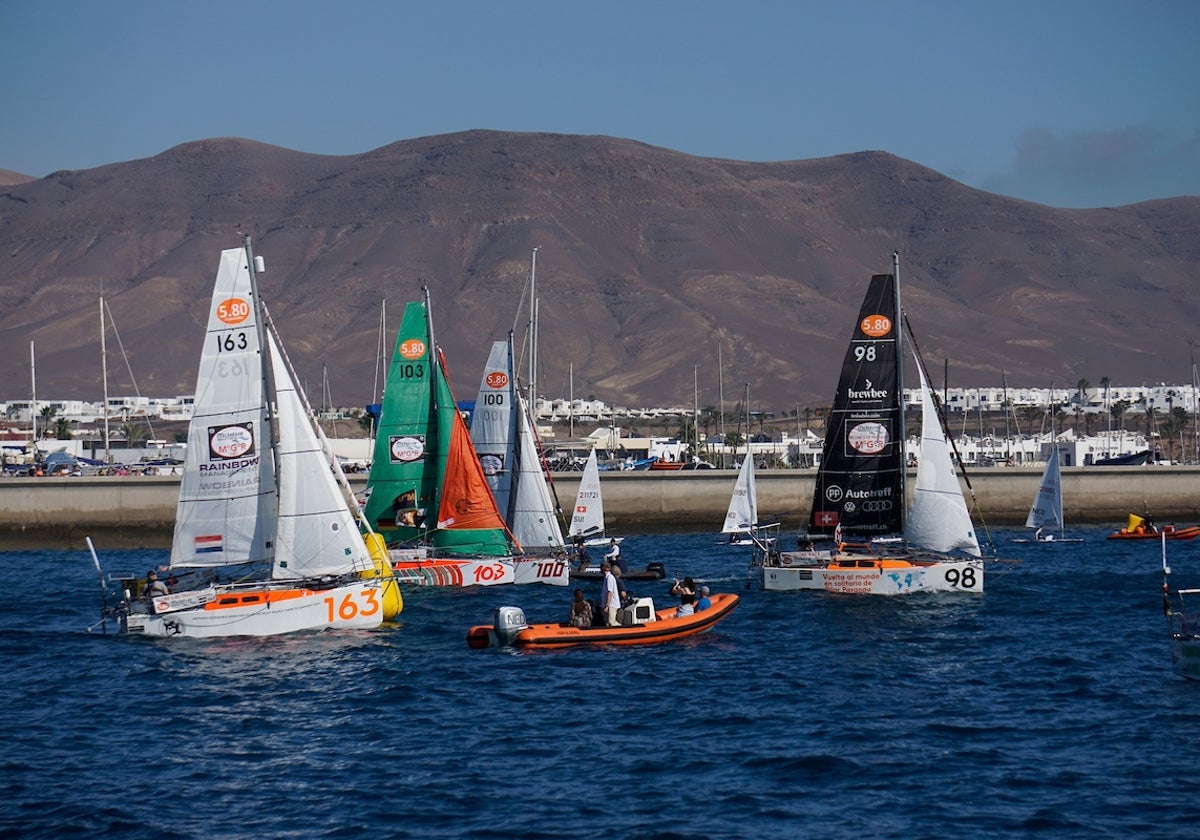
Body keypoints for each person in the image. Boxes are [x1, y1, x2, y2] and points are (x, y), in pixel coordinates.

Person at [600, 561, 620, 627]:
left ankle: (622, 628)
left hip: (612, 604)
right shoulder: (606, 578)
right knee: (607, 623)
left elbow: (610, 593)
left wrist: (607, 606)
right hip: (607, 604)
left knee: (612, 622)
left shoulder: (610, 578)